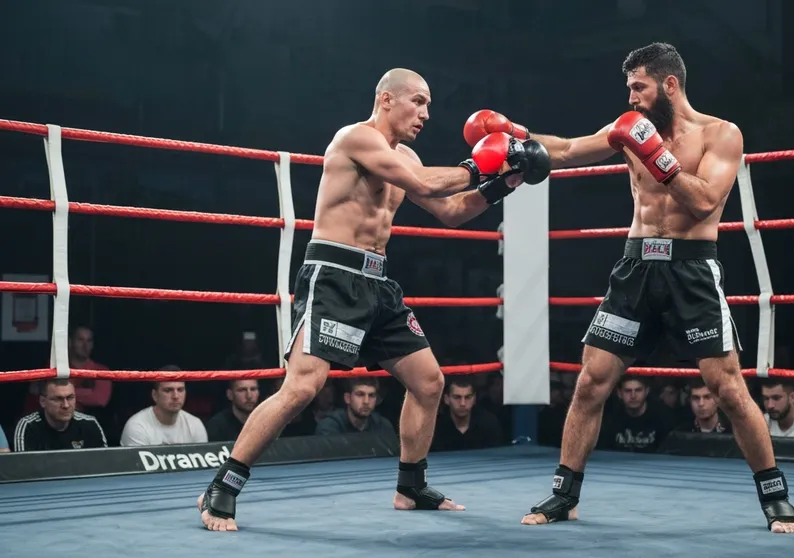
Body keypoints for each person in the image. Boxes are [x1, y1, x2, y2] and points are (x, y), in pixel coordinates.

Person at [462, 43, 794, 533]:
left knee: (727, 388)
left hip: (691, 271)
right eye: (628, 87)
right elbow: (567, 149)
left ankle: (774, 495)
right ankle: (565, 494)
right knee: (589, 382)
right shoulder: (627, 128)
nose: (631, 96)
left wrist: (657, 155)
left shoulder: (721, 134)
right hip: (635, 268)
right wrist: (514, 135)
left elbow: (706, 201)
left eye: (638, 86)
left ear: (669, 84)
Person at [197, 67, 550, 532]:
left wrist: (505, 183)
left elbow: (450, 212)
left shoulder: (405, 156)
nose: (425, 113)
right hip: (335, 276)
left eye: (428, 105)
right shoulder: (356, 139)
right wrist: (483, 161)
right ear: (386, 99)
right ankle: (223, 486)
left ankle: (410, 485)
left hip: (378, 284)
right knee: (303, 387)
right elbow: (428, 185)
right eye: (417, 102)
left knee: (429, 383)